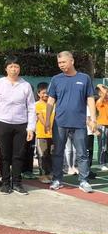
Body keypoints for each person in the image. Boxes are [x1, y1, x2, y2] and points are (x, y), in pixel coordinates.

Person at [45, 51, 96, 193]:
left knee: (82, 154)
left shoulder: (84, 78)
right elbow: (51, 100)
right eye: (59, 63)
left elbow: (90, 99)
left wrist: (93, 118)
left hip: (79, 123)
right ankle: (57, 179)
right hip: (59, 123)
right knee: (58, 153)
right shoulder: (56, 79)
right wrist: (48, 121)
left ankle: (84, 181)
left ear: (72, 61)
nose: (61, 65)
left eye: (63, 62)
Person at [0, 56, 36, 195]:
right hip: (2, 123)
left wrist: (30, 127)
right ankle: (5, 183)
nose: (14, 69)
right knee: (4, 154)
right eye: (11, 67)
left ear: (19, 69)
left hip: (21, 124)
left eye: (16, 67)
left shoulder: (25, 85)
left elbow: (31, 107)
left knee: (19, 155)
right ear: (6, 69)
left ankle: (17, 183)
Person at [35, 82, 54, 184]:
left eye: (47, 93)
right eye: (43, 93)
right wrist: (47, 126)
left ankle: (50, 174)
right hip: (42, 135)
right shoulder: (37, 105)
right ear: (38, 94)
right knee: (43, 155)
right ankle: (42, 175)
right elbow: (40, 117)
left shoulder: (53, 104)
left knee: (51, 155)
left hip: (53, 135)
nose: (46, 95)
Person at [95, 84, 108, 171]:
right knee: (102, 145)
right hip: (102, 125)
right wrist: (100, 86)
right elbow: (104, 93)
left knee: (106, 145)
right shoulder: (99, 101)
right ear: (100, 93)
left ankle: (105, 161)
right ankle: (101, 163)